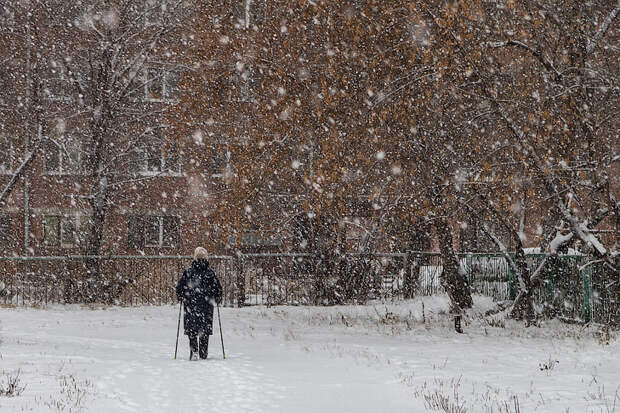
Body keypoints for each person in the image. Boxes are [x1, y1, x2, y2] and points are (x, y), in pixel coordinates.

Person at [176, 247, 223, 360]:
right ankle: (203, 352)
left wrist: (181, 296)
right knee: (204, 329)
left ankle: (194, 351)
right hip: (206, 305)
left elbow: (180, 288)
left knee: (192, 328)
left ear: (194, 257)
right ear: (206, 258)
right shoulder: (210, 273)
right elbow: (218, 289)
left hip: (191, 305)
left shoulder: (188, 272)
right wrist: (217, 297)